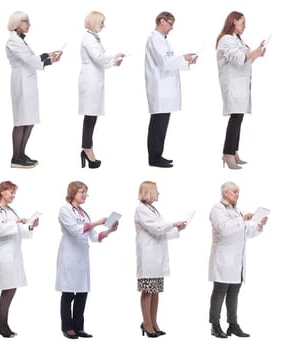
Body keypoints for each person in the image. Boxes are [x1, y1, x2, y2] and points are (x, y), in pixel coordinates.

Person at [56, 181, 117, 339]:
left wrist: (109, 230)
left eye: (85, 192)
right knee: (68, 294)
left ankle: (79, 327)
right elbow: (75, 230)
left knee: (82, 293)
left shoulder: (84, 213)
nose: (84, 195)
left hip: (81, 258)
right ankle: (67, 327)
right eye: (81, 192)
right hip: (69, 257)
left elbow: (94, 236)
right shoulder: (65, 210)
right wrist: (97, 222)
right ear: (72, 193)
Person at [208, 181, 267, 338]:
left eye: (238, 191)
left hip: (237, 262)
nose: (237, 194)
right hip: (223, 260)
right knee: (219, 292)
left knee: (234, 293)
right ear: (225, 193)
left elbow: (247, 233)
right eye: (235, 191)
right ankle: (215, 325)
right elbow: (223, 228)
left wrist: (259, 226)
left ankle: (233, 325)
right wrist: (242, 220)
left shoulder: (238, 211)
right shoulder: (217, 209)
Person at [5, 11, 61, 168]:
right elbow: (29, 59)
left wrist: (49, 58)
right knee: (21, 120)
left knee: (29, 120)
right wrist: (48, 59)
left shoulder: (21, 41)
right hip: (21, 83)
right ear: (17, 23)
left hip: (28, 83)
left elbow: (31, 59)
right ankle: (16, 157)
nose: (29, 24)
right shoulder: (13, 40)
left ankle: (22, 154)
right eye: (26, 21)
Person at [0, 181, 38, 338]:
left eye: (15, 193)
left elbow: (19, 230)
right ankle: (2, 325)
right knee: (8, 289)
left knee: (11, 288)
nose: (13, 195)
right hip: (3, 255)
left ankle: (2, 324)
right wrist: (16, 221)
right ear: (2, 192)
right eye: (11, 192)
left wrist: (30, 226)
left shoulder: (10, 210)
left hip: (13, 254)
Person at [145, 12, 197, 168]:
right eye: (170, 23)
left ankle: (157, 155)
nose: (172, 28)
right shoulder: (155, 39)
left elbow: (169, 62)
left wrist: (187, 62)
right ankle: (154, 158)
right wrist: (184, 57)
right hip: (159, 89)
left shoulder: (162, 41)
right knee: (158, 125)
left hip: (165, 90)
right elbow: (164, 63)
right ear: (161, 21)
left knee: (162, 125)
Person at [134, 181, 186, 337]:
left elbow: (161, 232)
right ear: (148, 192)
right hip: (148, 257)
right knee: (147, 291)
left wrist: (177, 229)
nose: (159, 193)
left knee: (155, 292)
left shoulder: (153, 209)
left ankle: (154, 323)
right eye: (156, 191)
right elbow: (156, 228)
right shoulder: (140, 210)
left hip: (157, 257)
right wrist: (172, 224)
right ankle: (147, 324)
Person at [216, 11, 265, 169]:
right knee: (235, 118)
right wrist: (253, 53)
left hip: (241, 84)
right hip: (232, 84)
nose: (245, 26)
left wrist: (257, 53)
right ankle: (227, 154)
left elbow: (246, 60)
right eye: (242, 22)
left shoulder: (238, 40)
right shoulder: (225, 40)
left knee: (239, 117)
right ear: (234, 21)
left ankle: (234, 151)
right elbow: (238, 59)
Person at [78, 11, 123, 169]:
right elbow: (98, 57)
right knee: (90, 116)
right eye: (101, 22)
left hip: (94, 80)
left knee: (92, 115)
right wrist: (113, 56)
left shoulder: (93, 38)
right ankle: (87, 149)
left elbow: (99, 60)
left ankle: (87, 148)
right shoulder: (88, 38)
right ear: (93, 22)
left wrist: (113, 63)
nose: (104, 25)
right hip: (90, 81)